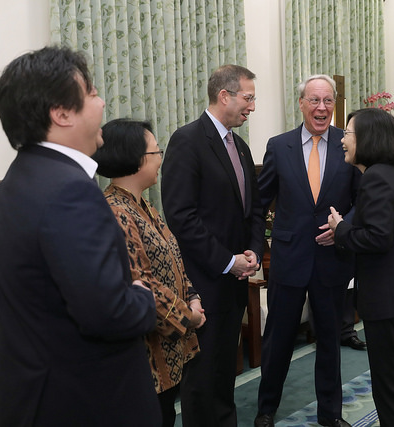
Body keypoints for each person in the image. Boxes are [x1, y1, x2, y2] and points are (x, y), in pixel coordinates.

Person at [0, 46, 160, 426]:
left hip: (29, 390)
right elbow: (108, 314)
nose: (102, 102)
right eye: (92, 93)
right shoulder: (69, 190)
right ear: (62, 113)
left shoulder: (22, 175)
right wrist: (142, 297)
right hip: (80, 399)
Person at [161, 64, 265, 427]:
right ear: (224, 96)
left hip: (235, 282)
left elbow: (253, 210)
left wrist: (253, 251)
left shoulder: (241, 146)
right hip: (203, 282)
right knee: (203, 376)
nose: (252, 106)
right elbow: (181, 216)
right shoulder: (188, 141)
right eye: (248, 98)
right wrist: (226, 261)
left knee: (224, 372)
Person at [255, 74, 360, 427]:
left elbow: (362, 200)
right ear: (301, 104)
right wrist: (253, 246)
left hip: (332, 259)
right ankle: (266, 409)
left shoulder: (348, 143)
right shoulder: (278, 145)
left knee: (330, 340)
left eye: (328, 100)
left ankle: (330, 414)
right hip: (289, 258)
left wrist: (342, 228)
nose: (322, 107)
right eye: (314, 100)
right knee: (278, 339)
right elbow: (260, 202)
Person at [92, 119, 206, 427]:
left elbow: (173, 258)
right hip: (145, 356)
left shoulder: (142, 205)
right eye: (156, 152)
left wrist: (193, 296)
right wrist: (189, 317)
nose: (160, 160)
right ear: (136, 158)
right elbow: (141, 283)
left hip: (168, 349)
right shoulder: (116, 212)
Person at [328, 108, 394, 426]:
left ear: (367, 138)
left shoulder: (376, 178)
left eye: (348, 133)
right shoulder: (390, 174)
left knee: (389, 391)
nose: (342, 140)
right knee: (392, 385)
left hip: (390, 304)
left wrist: (341, 229)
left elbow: (377, 238)